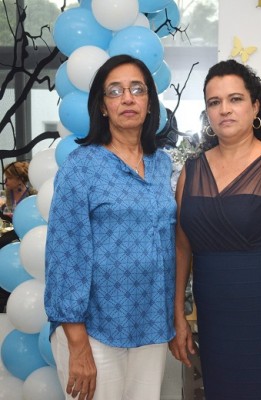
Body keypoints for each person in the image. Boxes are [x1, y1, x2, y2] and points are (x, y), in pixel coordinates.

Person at [168, 59, 261, 399]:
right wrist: (178, 316)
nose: (225, 110)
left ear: (255, 107)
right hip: (216, 321)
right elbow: (181, 249)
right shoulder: (192, 171)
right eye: (214, 102)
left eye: (235, 99)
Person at [44, 55, 176, 400]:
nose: (128, 98)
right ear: (103, 107)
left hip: (151, 325)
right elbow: (64, 255)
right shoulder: (81, 167)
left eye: (137, 89)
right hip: (95, 331)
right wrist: (78, 343)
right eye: (115, 91)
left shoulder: (162, 165)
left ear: (149, 103)